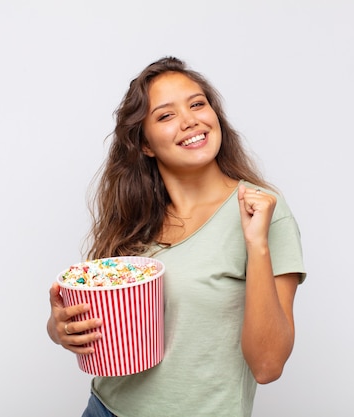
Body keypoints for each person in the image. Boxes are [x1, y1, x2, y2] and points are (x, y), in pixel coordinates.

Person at [47, 56, 306, 417]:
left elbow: (267, 366)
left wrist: (256, 245)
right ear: (145, 144)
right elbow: (102, 318)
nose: (190, 121)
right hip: (105, 408)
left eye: (197, 104)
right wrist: (60, 328)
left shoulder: (263, 212)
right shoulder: (135, 217)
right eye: (165, 116)